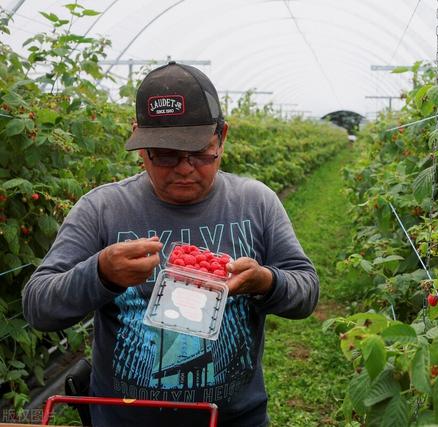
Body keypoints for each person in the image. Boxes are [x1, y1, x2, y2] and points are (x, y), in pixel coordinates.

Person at [22, 61, 319, 427]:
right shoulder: (102, 209)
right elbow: (38, 306)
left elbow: (307, 290)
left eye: (200, 151)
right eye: (164, 153)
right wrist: (100, 274)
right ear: (139, 142)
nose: (184, 167)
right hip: (124, 420)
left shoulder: (256, 203)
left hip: (234, 419)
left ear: (222, 137)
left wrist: (267, 283)